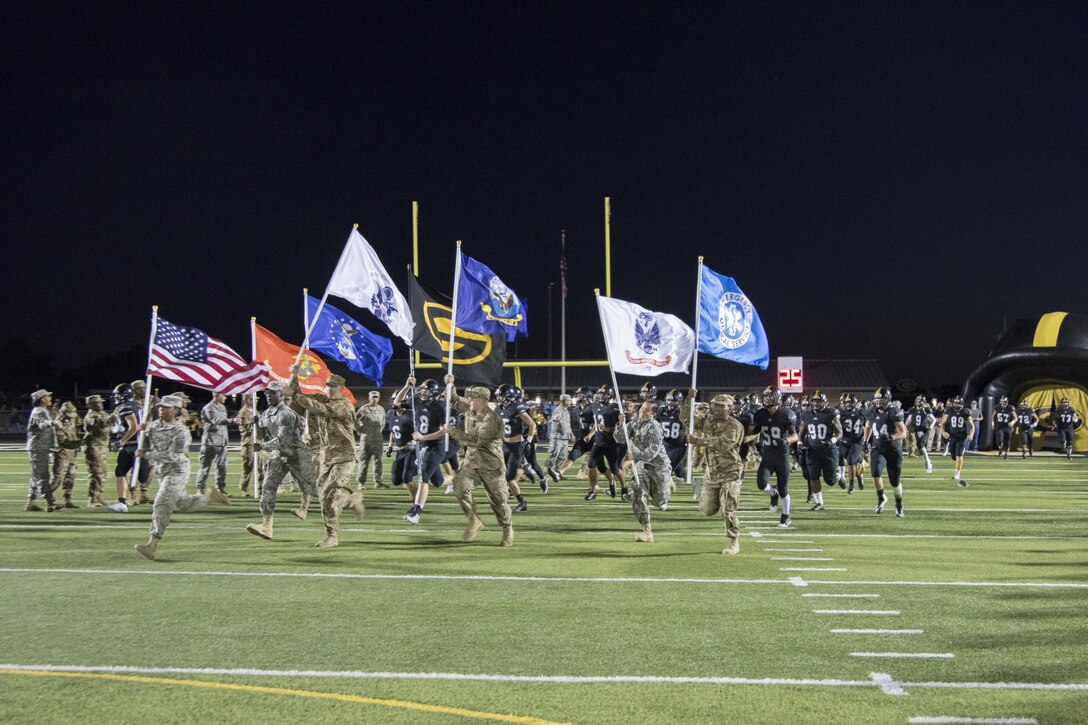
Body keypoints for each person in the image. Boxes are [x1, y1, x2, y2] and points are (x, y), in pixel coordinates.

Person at [288, 370, 364, 547]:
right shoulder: (323, 400)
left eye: (333, 386)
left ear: (342, 388)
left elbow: (322, 410)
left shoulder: (344, 405)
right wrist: (294, 375)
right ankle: (349, 502)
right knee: (324, 495)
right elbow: (300, 401)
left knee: (329, 492)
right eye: (328, 386)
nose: (329, 389)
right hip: (329, 458)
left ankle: (333, 535)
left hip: (345, 457)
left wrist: (296, 395)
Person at [133, 395, 209, 560]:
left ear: (175, 410)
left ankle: (151, 545)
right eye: (160, 406)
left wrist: (146, 454)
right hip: (163, 471)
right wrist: (142, 433)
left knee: (161, 503)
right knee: (183, 503)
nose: (161, 409)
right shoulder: (153, 426)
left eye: (166, 407)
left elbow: (173, 456)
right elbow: (145, 444)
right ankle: (209, 498)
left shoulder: (181, 431)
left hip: (177, 470)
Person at [442, 374, 513, 546]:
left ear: (481, 400)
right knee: (460, 487)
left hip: (491, 465)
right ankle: (474, 519)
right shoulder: (470, 408)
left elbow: (475, 440)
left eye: (472, 398)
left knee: (498, 501)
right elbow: (451, 399)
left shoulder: (492, 420)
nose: (468, 400)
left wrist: (453, 432)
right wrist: (450, 384)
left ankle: (507, 529)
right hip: (471, 462)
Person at [246, 381, 319, 539]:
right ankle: (266, 526)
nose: (268, 395)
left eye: (272, 393)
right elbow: (262, 434)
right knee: (268, 485)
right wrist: (256, 424)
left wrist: (263, 446)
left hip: (297, 455)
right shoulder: (267, 413)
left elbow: (282, 440)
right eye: (267, 393)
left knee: (314, 489)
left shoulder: (286, 414)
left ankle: (342, 502)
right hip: (280, 455)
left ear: (281, 394)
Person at [683, 390, 745, 554]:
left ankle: (733, 541)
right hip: (712, 473)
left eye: (720, 406)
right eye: (714, 405)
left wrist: (699, 441)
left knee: (728, 508)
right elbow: (686, 418)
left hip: (730, 471)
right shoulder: (707, 421)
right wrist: (689, 400)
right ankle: (719, 504)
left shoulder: (735, 426)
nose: (715, 408)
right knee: (708, 510)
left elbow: (722, 444)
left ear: (729, 408)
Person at [615, 399, 673, 542]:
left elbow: (654, 449)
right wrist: (620, 424)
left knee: (660, 502)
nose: (642, 411)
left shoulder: (655, 426)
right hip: (641, 465)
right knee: (638, 493)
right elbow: (619, 438)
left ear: (653, 413)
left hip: (659, 466)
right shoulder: (634, 423)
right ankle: (647, 532)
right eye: (641, 408)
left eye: (646, 410)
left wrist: (636, 455)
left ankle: (669, 483)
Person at [393, 376, 446, 524]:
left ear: (433, 393)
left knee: (423, 477)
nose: (422, 392)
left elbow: (443, 432)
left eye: (426, 390)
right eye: (421, 389)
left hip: (436, 445)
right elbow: (397, 403)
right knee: (438, 481)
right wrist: (406, 386)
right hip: (422, 446)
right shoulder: (415, 402)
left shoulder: (441, 406)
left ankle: (416, 512)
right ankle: (454, 479)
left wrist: (422, 437)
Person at [746, 386, 798, 528]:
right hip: (767, 454)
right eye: (766, 396)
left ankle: (786, 517)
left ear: (778, 398)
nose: (767, 399)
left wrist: (787, 440)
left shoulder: (785, 414)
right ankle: (772, 493)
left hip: (781, 455)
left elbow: (795, 436)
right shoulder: (761, 414)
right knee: (761, 484)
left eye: (770, 396)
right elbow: (755, 432)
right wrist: (745, 439)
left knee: (784, 489)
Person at [863, 387, 907, 517]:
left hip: (893, 448)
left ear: (887, 399)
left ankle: (899, 503)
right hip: (878, 447)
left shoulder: (894, 412)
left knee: (895, 480)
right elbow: (868, 425)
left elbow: (903, 433)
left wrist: (892, 437)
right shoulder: (871, 411)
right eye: (876, 399)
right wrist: (865, 442)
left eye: (880, 399)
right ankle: (881, 497)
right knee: (875, 472)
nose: (877, 402)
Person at [495, 383, 536, 512]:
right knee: (500, 473)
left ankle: (522, 502)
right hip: (504, 445)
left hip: (516, 446)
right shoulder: (498, 409)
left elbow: (532, 424)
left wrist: (528, 441)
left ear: (508, 396)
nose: (499, 398)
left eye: (501, 396)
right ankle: (504, 497)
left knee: (509, 477)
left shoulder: (516, 407)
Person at [798, 392, 842, 511]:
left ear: (824, 402)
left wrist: (831, 441)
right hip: (812, 451)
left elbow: (839, 433)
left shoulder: (831, 414)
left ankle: (839, 476)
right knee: (813, 476)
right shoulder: (806, 415)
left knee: (831, 481)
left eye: (818, 401)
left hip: (828, 450)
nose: (816, 403)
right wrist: (800, 444)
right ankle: (819, 503)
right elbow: (801, 433)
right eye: (814, 401)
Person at [107, 384, 148, 512]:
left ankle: (123, 503)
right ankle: (122, 502)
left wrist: (121, 441)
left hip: (132, 446)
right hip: (137, 445)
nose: (116, 397)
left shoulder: (125, 407)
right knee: (121, 472)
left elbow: (134, 427)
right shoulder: (134, 406)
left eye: (118, 394)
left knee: (142, 476)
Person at [585, 385, 625, 501]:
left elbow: (621, 429)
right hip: (598, 442)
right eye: (600, 393)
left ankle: (624, 487)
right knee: (591, 464)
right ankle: (593, 491)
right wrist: (590, 434)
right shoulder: (595, 406)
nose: (601, 396)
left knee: (615, 469)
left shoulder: (615, 408)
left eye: (604, 394)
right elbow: (596, 425)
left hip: (612, 443)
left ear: (610, 395)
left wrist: (609, 427)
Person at [25, 389, 62, 512]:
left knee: (36, 476)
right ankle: (50, 502)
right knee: (43, 475)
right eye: (48, 396)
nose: (50, 398)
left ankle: (30, 503)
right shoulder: (38, 411)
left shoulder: (42, 410)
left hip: (40, 447)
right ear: (42, 399)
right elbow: (42, 424)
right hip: (38, 448)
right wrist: (53, 422)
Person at [196, 392, 231, 500]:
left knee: (222, 466)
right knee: (205, 467)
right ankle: (200, 488)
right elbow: (215, 421)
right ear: (218, 395)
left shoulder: (222, 407)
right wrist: (232, 420)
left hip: (222, 442)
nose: (225, 398)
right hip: (210, 442)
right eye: (224, 395)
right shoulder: (209, 408)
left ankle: (220, 488)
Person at [559, 387, 595, 481]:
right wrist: (573, 434)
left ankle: (597, 483)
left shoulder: (594, 408)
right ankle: (559, 473)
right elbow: (578, 425)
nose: (578, 396)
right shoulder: (576, 409)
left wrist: (590, 435)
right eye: (578, 394)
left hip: (596, 438)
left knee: (597, 463)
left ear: (587, 395)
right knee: (572, 456)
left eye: (581, 394)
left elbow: (598, 424)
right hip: (583, 438)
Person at [82, 394, 111, 507]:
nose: (102, 404)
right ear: (92, 405)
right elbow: (100, 424)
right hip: (94, 447)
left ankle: (98, 496)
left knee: (103, 473)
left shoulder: (102, 414)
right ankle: (92, 499)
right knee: (96, 473)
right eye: (99, 402)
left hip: (102, 446)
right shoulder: (91, 415)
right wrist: (114, 417)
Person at [52, 401, 82, 508]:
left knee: (71, 476)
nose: (71, 417)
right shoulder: (59, 423)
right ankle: (50, 499)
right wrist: (78, 442)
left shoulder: (72, 420)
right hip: (62, 452)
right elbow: (62, 440)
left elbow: (75, 431)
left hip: (72, 451)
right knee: (58, 477)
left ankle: (68, 499)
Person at [356, 391, 388, 489]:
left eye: (376, 397)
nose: (375, 399)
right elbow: (355, 421)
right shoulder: (363, 409)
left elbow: (383, 423)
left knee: (378, 461)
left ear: (379, 398)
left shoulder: (381, 409)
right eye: (373, 397)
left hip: (378, 439)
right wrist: (361, 430)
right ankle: (361, 483)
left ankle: (378, 482)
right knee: (364, 461)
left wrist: (379, 432)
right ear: (369, 398)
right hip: (366, 439)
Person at [938, 396, 973, 485]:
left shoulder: (966, 411)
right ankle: (959, 457)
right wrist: (943, 432)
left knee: (958, 455)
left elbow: (972, 425)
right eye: (955, 403)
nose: (956, 404)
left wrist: (971, 434)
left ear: (961, 403)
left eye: (958, 403)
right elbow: (942, 423)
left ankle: (957, 474)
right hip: (952, 436)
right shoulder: (949, 410)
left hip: (962, 436)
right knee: (953, 456)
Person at [658, 389, 688, 483]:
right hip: (665, 445)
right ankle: (690, 480)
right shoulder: (661, 411)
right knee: (680, 472)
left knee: (665, 469)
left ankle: (663, 494)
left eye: (674, 401)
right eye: (668, 400)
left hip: (678, 446)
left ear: (679, 401)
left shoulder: (684, 413)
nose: (670, 403)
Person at [839, 394, 866, 493]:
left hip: (857, 442)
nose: (848, 404)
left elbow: (868, 426)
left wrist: (866, 439)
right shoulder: (841, 414)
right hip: (845, 441)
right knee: (852, 463)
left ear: (855, 403)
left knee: (850, 462)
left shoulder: (862, 413)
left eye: (850, 402)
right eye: (847, 402)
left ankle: (851, 486)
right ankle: (859, 477)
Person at [232, 396, 259, 496]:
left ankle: (262, 487)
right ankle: (244, 488)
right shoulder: (243, 412)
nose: (256, 401)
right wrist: (254, 422)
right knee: (248, 466)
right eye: (254, 399)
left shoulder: (254, 410)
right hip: (248, 442)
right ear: (248, 400)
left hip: (258, 441)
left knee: (262, 464)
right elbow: (245, 429)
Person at [545, 394, 573, 482]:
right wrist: (559, 420)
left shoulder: (566, 411)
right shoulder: (558, 410)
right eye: (569, 400)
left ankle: (557, 473)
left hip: (564, 437)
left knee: (562, 457)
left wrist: (571, 434)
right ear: (564, 401)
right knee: (553, 455)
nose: (570, 402)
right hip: (557, 438)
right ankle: (547, 473)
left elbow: (568, 424)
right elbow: (554, 418)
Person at [905, 395, 935, 474]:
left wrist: (931, 426)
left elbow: (934, 419)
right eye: (917, 400)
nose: (918, 402)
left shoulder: (926, 409)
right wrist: (907, 425)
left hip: (925, 430)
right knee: (920, 447)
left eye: (919, 400)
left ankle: (928, 462)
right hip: (916, 430)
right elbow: (909, 419)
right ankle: (927, 460)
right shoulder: (912, 409)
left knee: (920, 444)